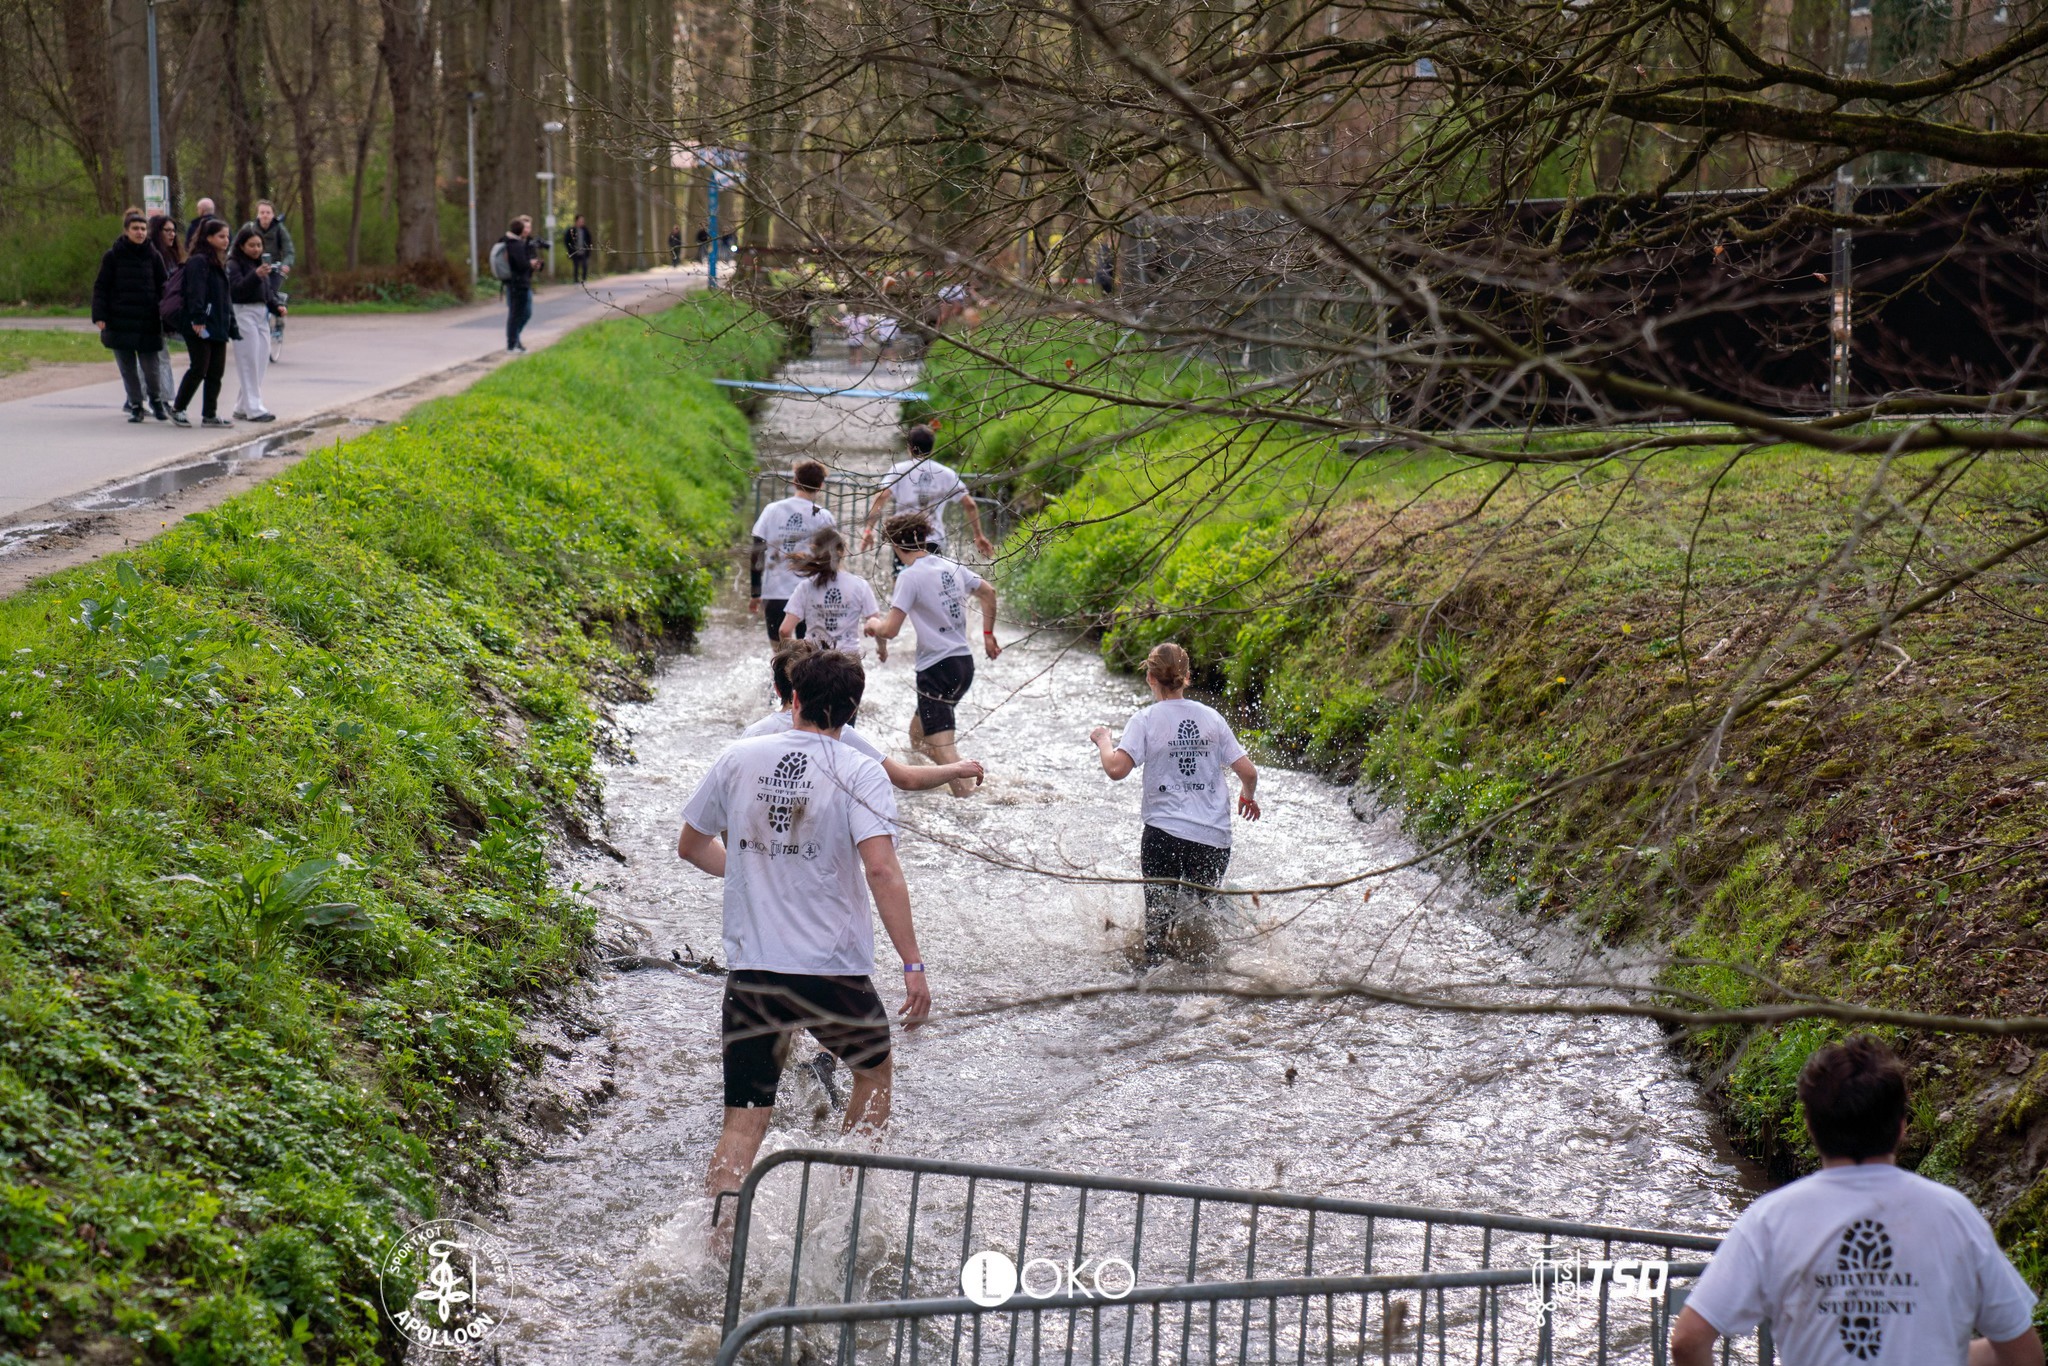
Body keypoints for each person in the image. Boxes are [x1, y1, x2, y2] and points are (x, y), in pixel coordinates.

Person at [676, 647, 929, 1219]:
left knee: (744, 1122)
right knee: (873, 1073)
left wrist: (747, 867)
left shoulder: (738, 758)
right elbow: (882, 870)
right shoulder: (859, 769)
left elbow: (691, 846)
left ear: (793, 698)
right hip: (831, 970)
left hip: (755, 972)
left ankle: (717, 1248)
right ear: (852, 711)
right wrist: (912, 964)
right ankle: (846, 1206)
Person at [1671, 1035, 2041, 1366]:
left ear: (1811, 1127)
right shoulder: (1953, 1214)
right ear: (1901, 1127)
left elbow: (1688, 1340)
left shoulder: (1771, 1219)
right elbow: (2022, 1354)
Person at [1089, 643, 1261, 965]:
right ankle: (1206, 994)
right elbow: (1248, 773)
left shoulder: (1145, 720)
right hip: (1212, 837)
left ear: (1150, 678)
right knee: (1201, 924)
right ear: (1187, 677)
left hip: (1163, 834)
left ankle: (1155, 989)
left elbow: (1115, 769)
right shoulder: (1212, 718)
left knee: (1157, 924)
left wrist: (1104, 741)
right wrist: (1247, 796)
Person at [863, 512, 1000, 799]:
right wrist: (988, 636)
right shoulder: (952, 565)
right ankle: (947, 780)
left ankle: (969, 796)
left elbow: (890, 630)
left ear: (895, 546)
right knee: (917, 738)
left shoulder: (909, 577)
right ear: (923, 538)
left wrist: (872, 624)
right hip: (963, 664)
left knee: (941, 746)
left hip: (936, 669)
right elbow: (988, 593)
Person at [746, 640, 982, 794]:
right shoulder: (836, 732)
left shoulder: (752, 735)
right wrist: (956, 769)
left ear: (777, 690)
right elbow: (906, 778)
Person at [859, 425, 996, 565]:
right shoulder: (946, 473)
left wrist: (869, 529)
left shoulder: (899, 470)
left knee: (902, 580)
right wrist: (978, 535)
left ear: (910, 447)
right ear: (932, 448)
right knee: (932, 581)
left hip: (903, 537)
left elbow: (881, 497)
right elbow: (970, 504)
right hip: (933, 537)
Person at [92, 210, 170, 423]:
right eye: (135, 228)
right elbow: (101, 287)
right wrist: (99, 314)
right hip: (119, 319)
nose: (140, 232)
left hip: (148, 320)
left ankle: (156, 400)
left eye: (143, 229)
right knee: (127, 367)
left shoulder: (154, 256)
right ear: (126, 231)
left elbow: (164, 286)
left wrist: (168, 312)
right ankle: (136, 404)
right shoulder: (113, 256)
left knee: (151, 367)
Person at [750, 460, 835, 644]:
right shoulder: (823, 516)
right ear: (821, 486)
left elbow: (756, 550)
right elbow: (832, 559)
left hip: (775, 593)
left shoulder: (772, 510)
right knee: (810, 655)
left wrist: (755, 592)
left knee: (780, 654)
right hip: (812, 595)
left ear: (794, 481)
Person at [169, 217, 239, 428]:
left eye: (227, 236)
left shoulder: (220, 262)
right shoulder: (198, 261)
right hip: (199, 324)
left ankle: (210, 414)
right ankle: (178, 408)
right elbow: (195, 292)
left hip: (218, 324)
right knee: (199, 367)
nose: (226, 240)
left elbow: (225, 297)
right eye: (221, 236)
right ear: (208, 238)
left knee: (216, 371)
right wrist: (198, 318)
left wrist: (231, 323)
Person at [779, 529, 882, 656]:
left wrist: (795, 657)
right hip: (849, 662)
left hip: (814, 661)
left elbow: (785, 630)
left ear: (814, 552)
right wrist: (882, 649)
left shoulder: (805, 587)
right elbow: (876, 624)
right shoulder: (860, 585)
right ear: (843, 552)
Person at [227, 225, 285, 422]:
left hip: (261, 315)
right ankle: (255, 409)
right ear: (242, 246)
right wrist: (256, 275)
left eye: (259, 245)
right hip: (243, 313)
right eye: (251, 245)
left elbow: (267, 291)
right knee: (248, 361)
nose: (256, 249)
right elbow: (236, 290)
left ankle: (242, 406)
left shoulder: (260, 264)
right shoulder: (234, 264)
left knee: (260, 361)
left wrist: (276, 306)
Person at [145, 214, 185, 402]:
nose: (172, 235)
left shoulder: (173, 255)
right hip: (154, 312)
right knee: (157, 357)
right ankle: (162, 397)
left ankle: (146, 397)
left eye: (173, 231)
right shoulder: (153, 255)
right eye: (167, 231)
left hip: (169, 312)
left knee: (156, 356)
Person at [499, 216, 536, 352]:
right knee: (516, 314)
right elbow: (521, 264)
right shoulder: (515, 244)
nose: (527, 230)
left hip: (519, 283)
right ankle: (513, 343)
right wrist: (529, 263)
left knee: (523, 313)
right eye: (525, 227)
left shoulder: (515, 243)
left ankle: (514, 341)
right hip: (518, 284)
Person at [240, 200, 295, 274]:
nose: (265, 215)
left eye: (268, 213)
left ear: (273, 215)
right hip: (252, 270)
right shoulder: (249, 228)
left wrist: (286, 264)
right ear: (257, 215)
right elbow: (235, 247)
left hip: (273, 271)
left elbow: (289, 252)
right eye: (262, 213)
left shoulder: (280, 230)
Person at [565, 215, 594, 284]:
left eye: (583, 221)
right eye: (580, 221)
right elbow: (566, 240)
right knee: (576, 266)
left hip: (584, 252)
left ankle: (584, 279)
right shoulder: (571, 230)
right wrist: (570, 249)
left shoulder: (585, 230)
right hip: (575, 252)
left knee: (585, 265)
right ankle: (576, 280)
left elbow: (589, 240)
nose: (582, 222)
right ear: (576, 221)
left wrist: (588, 249)